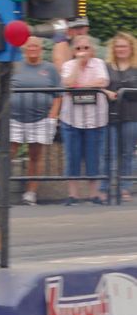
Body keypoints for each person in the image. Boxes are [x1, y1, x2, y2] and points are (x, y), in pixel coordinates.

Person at [10, 37, 62, 206]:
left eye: (36, 46)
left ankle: (30, 193)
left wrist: (53, 115)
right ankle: (0, 189)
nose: (32, 49)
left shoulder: (50, 69)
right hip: (14, 117)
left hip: (41, 118)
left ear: (41, 49)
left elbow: (58, 95)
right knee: (8, 153)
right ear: (24, 49)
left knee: (35, 155)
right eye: (29, 46)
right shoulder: (15, 66)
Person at [59, 34, 110, 205]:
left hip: (95, 119)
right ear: (73, 51)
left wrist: (79, 87)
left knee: (93, 157)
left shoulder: (99, 64)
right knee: (72, 157)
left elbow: (102, 81)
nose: (83, 51)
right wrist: (78, 65)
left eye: (86, 48)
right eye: (79, 48)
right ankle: (73, 194)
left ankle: (94, 194)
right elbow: (68, 83)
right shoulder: (68, 65)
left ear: (92, 50)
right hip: (72, 119)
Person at [102, 32, 137, 203]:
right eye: (117, 46)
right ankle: (105, 187)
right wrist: (106, 92)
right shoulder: (106, 66)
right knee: (108, 152)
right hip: (110, 115)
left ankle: (125, 188)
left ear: (131, 48)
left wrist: (124, 92)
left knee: (127, 152)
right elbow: (99, 85)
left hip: (131, 115)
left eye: (123, 46)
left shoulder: (135, 67)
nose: (120, 49)